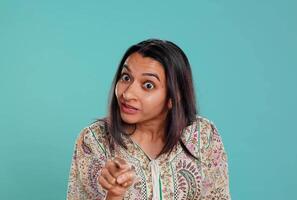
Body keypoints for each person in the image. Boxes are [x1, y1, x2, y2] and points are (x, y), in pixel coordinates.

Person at [66, 39, 231, 200]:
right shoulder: (94, 141)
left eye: (148, 85)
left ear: (174, 97)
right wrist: (114, 195)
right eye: (126, 77)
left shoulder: (203, 136)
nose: (128, 94)